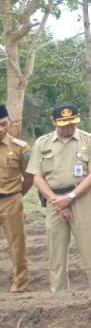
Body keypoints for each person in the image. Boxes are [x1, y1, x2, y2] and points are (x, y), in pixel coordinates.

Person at [27, 103, 91, 291]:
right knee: (56, 254)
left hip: (82, 198)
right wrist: (57, 201)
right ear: (54, 122)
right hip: (53, 200)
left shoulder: (89, 140)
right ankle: (59, 297)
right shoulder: (42, 143)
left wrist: (70, 197)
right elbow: (36, 177)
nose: (68, 128)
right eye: (63, 125)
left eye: (72, 124)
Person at [0, 105, 33, 293]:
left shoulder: (21, 148)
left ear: (10, 123)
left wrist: (18, 194)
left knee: (17, 245)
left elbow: (29, 177)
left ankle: (20, 286)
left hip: (11, 200)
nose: (0, 129)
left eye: (4, 124)